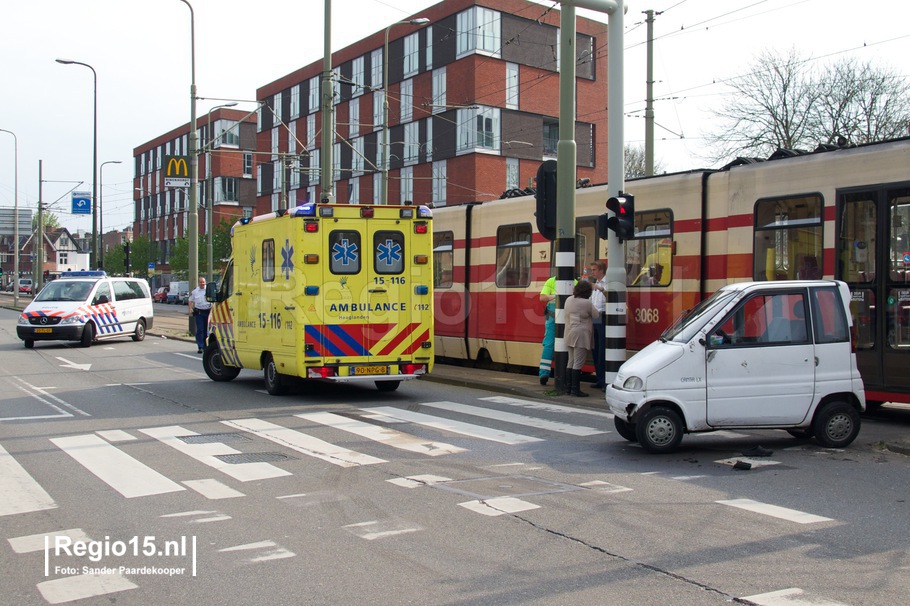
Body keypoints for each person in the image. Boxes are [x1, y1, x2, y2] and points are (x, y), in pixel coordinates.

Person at [564, 279, 596, 397]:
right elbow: (596, 314)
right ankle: (575, 390)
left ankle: (568, 388)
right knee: (578, 363)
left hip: (569, 333)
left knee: (570, 361)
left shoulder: (569, 299)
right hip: (581, 335)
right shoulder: (586, 303)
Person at [588, 260, 607, 390]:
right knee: (595, 348)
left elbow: (613, 297)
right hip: (594, 317)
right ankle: (599, 379)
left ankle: (605, 379)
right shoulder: (594, 285)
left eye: (594, 270)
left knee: (603, 349)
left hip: (603, 316)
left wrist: (600, 289)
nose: (592, 272)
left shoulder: (608, 282)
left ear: (601, 270)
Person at [538, 276, 557, 385]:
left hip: (552, 314)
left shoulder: (551, 281)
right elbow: (542, 297)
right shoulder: (574, 281)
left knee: (549, 343)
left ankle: (544, 373)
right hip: (567, 313)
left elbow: (543, 297)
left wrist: (553, 296)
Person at [188, 276, 211, 354]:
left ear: (205, 282)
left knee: (207, 330)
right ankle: (200, 346)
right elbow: (190, 300)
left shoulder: (209, 290)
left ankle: (206, 346)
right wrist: (190, 309)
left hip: (208, 312)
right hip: (199, 313)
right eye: (201, 282)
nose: (202, 283)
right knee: (200, 330)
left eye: (203, 282)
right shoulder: (195, 291)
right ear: (198, 283)